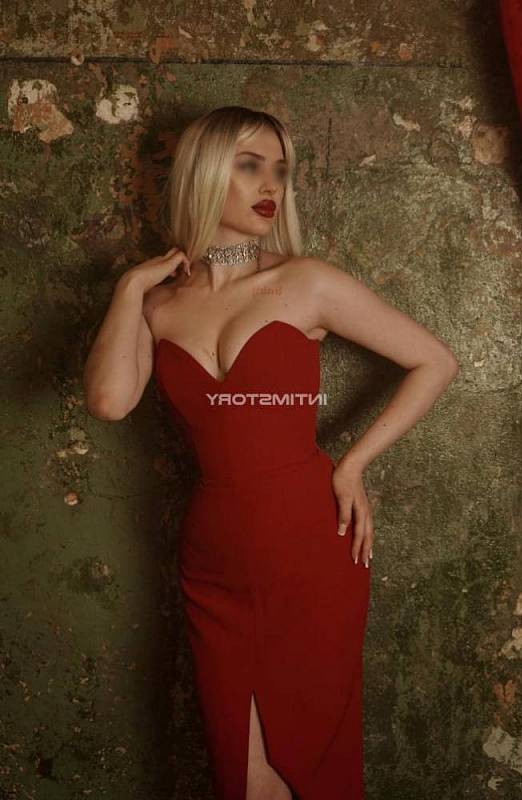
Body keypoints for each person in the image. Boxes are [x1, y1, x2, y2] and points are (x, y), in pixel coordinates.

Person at [83, 105, 459, 800]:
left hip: (311, 545)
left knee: (312, 763)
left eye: (281, 171)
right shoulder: (157, 305)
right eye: (250, 166)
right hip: (214, 560)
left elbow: (435, 361)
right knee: (244, 777)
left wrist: (353, 463)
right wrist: (130, 287)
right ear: (203, 174)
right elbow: (109, 401)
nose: (271, 186)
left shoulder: (304, 282)